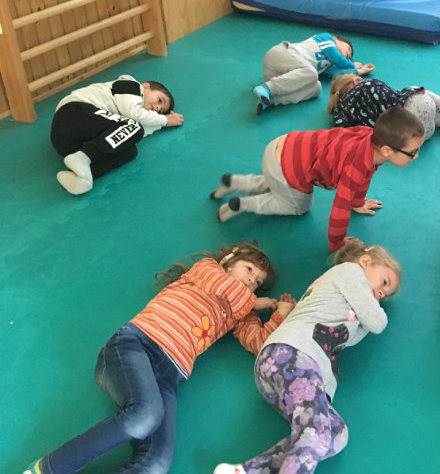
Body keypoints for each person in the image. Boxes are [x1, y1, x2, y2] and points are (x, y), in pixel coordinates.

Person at [22, 241, 295, 474]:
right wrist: (256, 301)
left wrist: (280, 313)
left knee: (156, 462)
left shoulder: (240, 311)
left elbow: (259, 343)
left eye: (257, 282)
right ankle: (47, 468)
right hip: (135, 345)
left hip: (169, 375)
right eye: (249, 270)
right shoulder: (207, 270)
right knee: (145, 415)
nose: (251, 281)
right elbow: (229, 289)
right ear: (229, 261)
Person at [214, 241, 401, 474]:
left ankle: (245, 471)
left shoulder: (351, 298)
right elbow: (378, 322)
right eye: (384, 282)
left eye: (386, 295)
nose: (382, 293)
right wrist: (374, 306)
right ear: (365, 262)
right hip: (292, 355)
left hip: (285, 371)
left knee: (336, 433)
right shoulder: (350, 272)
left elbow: (361, 327)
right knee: (316, 433)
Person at [212, 107, 425, 252]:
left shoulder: (370, 136)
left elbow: (365, 178)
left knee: (280, 183)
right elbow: (340, 208)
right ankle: (242, 205)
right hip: (286, 167)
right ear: (387, 151)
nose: (416, 156)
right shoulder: (357, 167)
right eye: (413, 152)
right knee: (299, 206)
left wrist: (358, 202)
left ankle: (235, 182)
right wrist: (337, 244)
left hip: (282, 148)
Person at [49, 75, 183, 195]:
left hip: (70, 144)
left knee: (130, 150)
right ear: (146, 86)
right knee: (134, 126)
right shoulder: (130, 85)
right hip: (72, 114)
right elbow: (135, 116)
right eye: (160, 100)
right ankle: (83, 157)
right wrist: (165, 120)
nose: (158, 108)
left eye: (160, 111)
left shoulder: (128, 116)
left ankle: (79, 174)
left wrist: (161, 122)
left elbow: (135, 132)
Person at [252, 33, 374, 115]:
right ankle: (266, 88)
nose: (347, 55)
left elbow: (338, 73)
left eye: (349, 56)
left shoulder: (328, 64)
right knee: (311, 73)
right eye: (348, 50)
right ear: (336, 39)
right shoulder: (326, 38)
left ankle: (272, 99)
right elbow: (336, 57)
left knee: (316, 88)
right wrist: (352, 64)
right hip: (280, 55)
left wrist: (361, 71)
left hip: (282, 77)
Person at [328, 73, 440, 139]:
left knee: (422, 114)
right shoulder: (366, 85)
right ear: (355, 82)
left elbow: (341, 128)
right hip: (418, 107)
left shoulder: (348, 111)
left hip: (416, 136)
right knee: (413, 91)